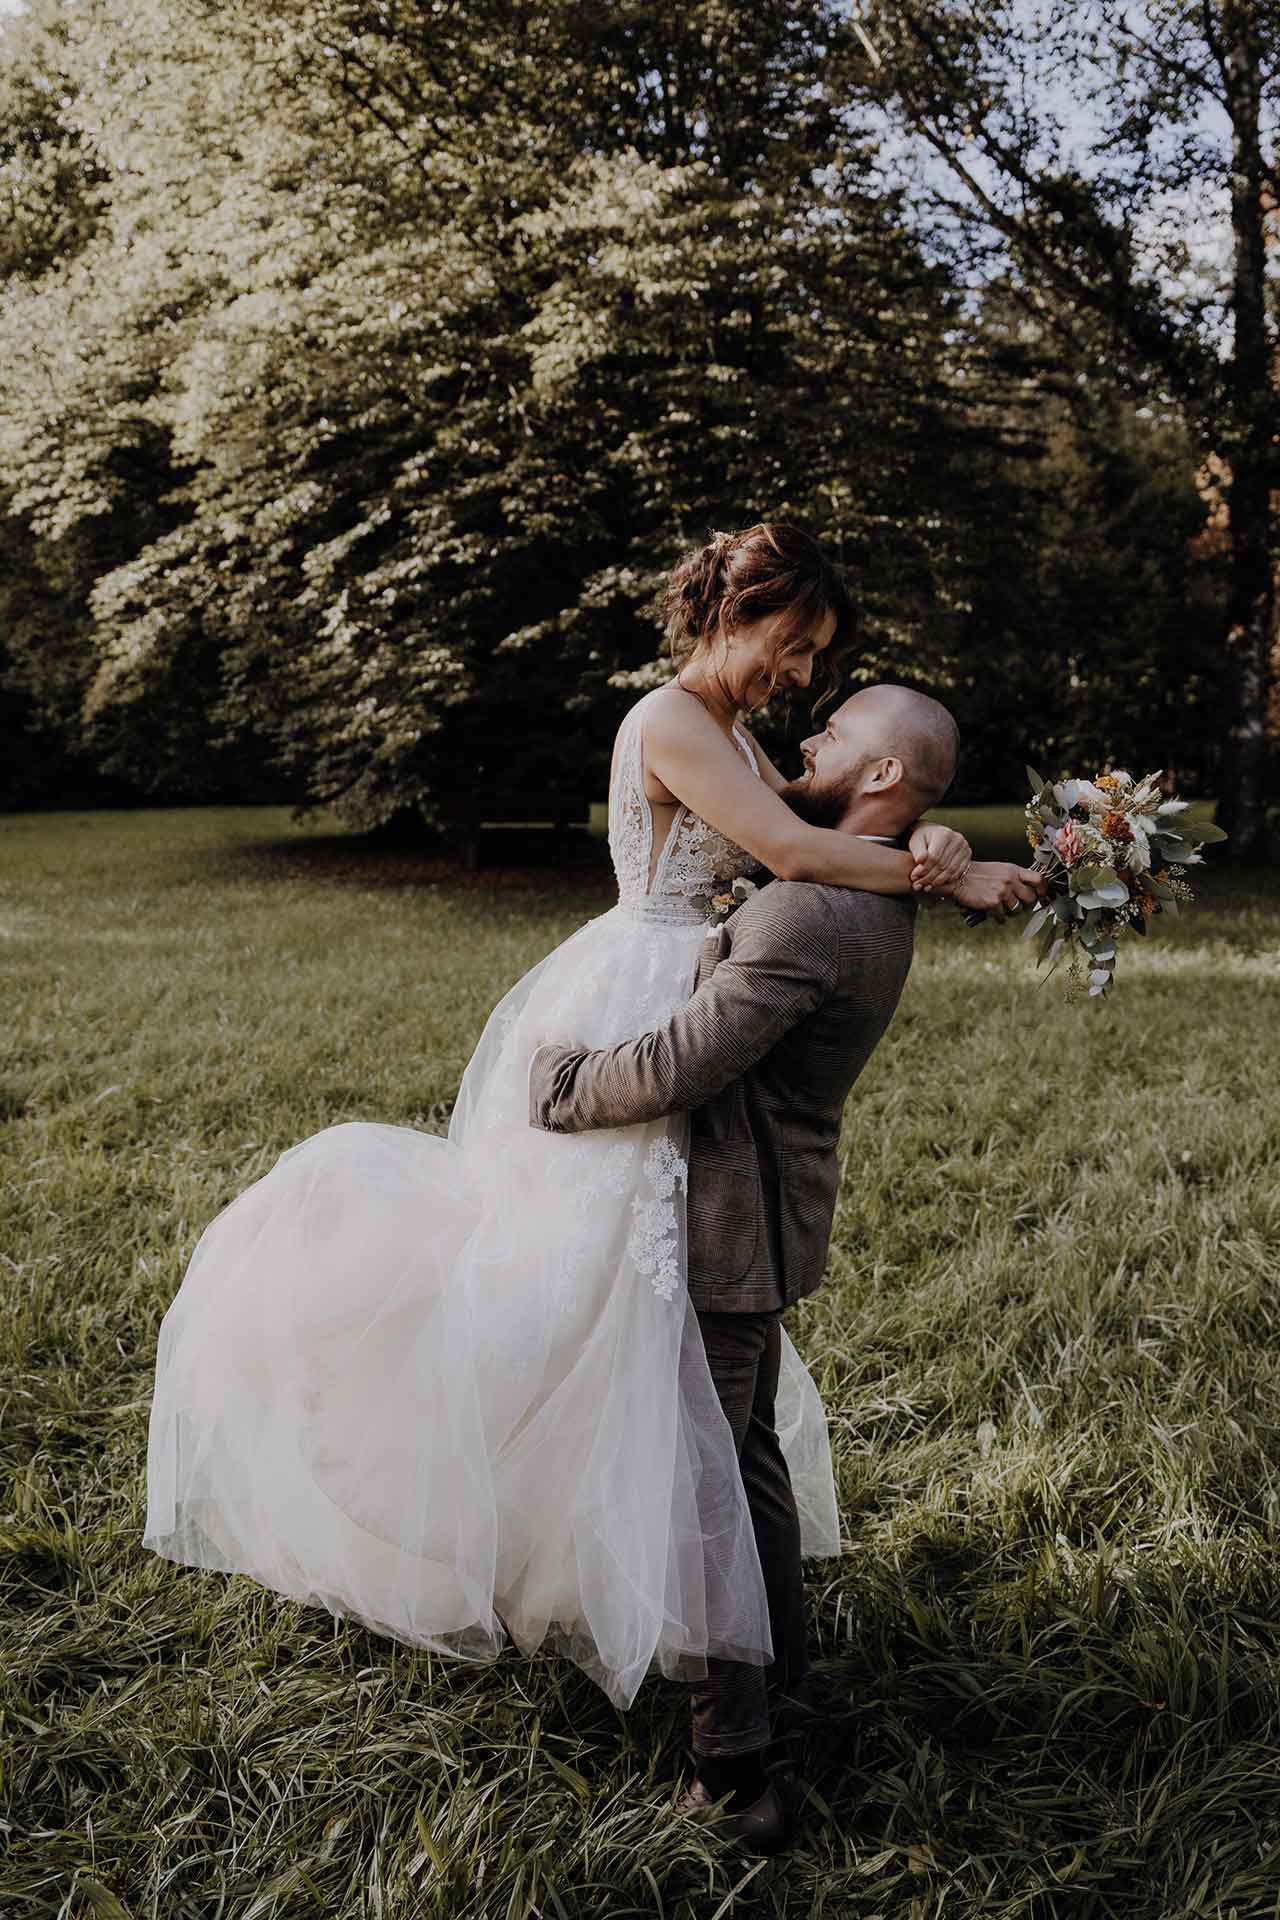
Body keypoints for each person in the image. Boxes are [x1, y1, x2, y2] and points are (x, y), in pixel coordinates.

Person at [143, 522, 1032, 1721]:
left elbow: (830, 824)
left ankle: (676, 1594)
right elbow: (785, 850)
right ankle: (487, 1501)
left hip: (698, 989)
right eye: (797, 644)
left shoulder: (741, 734)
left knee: (635, 1319)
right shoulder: (669, 717)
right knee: (561, 1297)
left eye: (819, 661)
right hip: (637, 995)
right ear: (733, 612)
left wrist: (928, 833)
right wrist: (948, 871)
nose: (803, 675)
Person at [528, 680, 1043, 1849]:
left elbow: (671, 1067)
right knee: (744, 1455)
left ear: (874, 778)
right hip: (766, 1214)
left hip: (720, 1221)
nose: (804, 734)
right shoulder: (854, 886)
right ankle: (781, 1662)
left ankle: (736, 1769)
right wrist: (935, 852)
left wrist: (555, 1084)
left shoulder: (807, 919)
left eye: (835, 730)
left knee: (698, 1485)